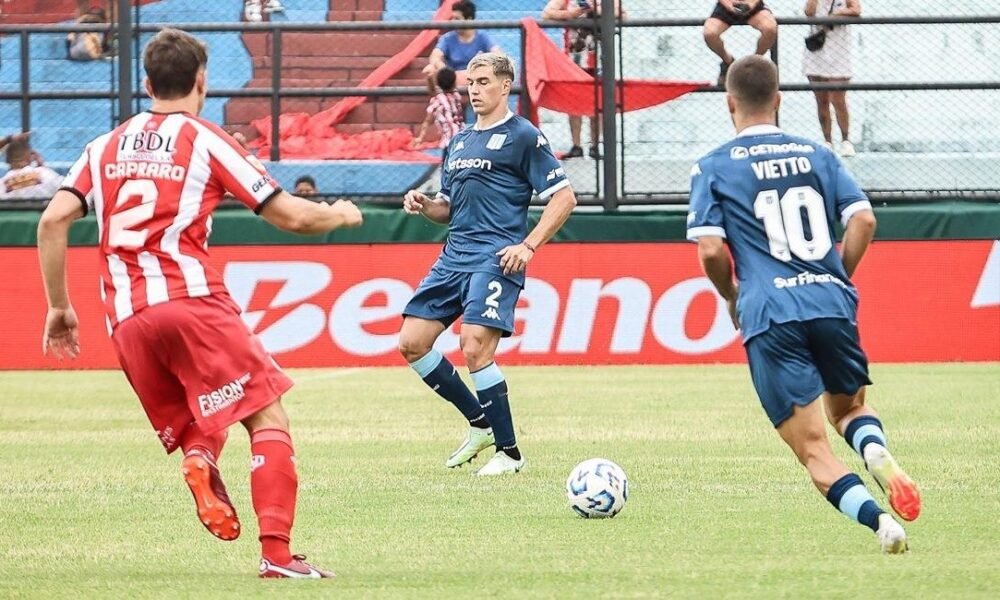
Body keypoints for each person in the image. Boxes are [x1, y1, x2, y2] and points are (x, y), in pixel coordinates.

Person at [37, 28, 362, 578]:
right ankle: (278, 556)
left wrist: (58, 307)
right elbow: (292, 216)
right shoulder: (206, 139)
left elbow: (52, 220)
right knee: (265, 413)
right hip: (190, 300)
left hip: (128, 319)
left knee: (203, 413)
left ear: (146, 84)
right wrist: (342, 214)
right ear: (203, 81)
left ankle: (200, 456)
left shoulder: (103, 146)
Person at [686, 55, 920, 553]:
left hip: (770, 311)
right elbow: (864, 221)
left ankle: (883, 525)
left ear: (729, 103)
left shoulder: (713, 165)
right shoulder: (819, 154)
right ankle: (874, 450)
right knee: (849, 408)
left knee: (813, 448)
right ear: (779, 99)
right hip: (830, 301)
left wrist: (731, 295)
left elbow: (709, 248)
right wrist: (835, 276)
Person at [398, 53, 577, 476]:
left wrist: (528, 245)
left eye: (482, 82)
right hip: (453, 256)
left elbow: (564, 197)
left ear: (505, 86)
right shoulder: (460, 141)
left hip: (496, 256)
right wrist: (425, 205)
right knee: (411, 342)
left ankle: (510, 453)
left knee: (474, 344)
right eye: (471, 83)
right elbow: (447, 208)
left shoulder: (523, 136)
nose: (474, 90)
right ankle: (480, 424)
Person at [541, 0, 624, 160]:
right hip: (574, 60)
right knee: (574, 102)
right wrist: (570, 14)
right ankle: (576, 146)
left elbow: (622, 14)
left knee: (599, 102)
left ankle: (595, 145)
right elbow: (546, 14)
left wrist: (597, 10)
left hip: (599, 59)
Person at [804, 0, 861, 157]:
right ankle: (827, 140)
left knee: (838, 99)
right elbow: (809, 12)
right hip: (818, 51)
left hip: (840, 52)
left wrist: (837, 14)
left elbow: (856, 10)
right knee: (821, 100)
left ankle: (845, 140)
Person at [422, 1, 500, 84]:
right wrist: (444, 70)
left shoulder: (482, 36)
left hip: (475, 77)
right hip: (452, 79)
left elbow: (498, 55)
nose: (452, 22)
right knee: (429, 69)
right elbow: (434, 56)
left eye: (457, 19)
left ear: (469, 20)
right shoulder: (448, 38)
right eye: (452, 18)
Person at [704, 1, 778, 86]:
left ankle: (754, 63)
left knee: (770, 28)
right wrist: (731, 6)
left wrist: (750, 5)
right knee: (710, 33)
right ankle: (728, 62)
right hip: (726, 7)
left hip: (753, 7)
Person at [413, 67, 465, 149]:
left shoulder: (437, 100)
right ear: (454, 83)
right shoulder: (457, 96)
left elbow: (428, 121)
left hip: (449, 140)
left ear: (438, 83)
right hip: (462, 136)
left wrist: (420, 138)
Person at [0, 135, 62, 200]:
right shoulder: (47, 174)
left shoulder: (2, 184)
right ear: (31, 157)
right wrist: (43, 167)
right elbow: (65, 190)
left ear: (7, 160)